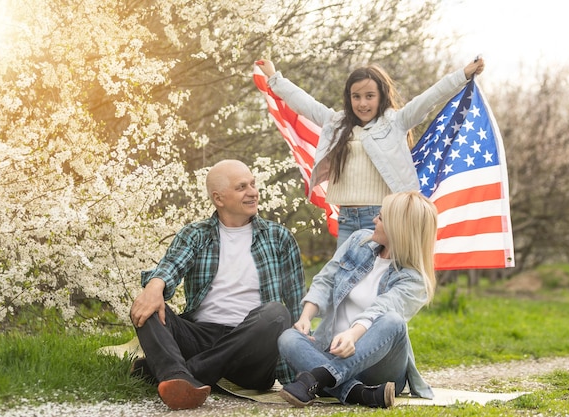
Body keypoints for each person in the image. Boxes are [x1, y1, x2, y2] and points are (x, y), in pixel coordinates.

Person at [129, 159, 306, 410]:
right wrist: (154, 286)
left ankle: (182, 373)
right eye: (242, 187)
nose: (253, 192)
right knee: (145, 307)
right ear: (219, 198)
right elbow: (171, 266)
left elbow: (297, 303)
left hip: (252, 350)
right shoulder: (196, 234)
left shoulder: (279, 238)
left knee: (277, 313)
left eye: (253, 184)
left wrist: (302, 372)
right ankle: (177, 379)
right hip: (200, 335)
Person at [256, 57, 484, 248]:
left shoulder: (396, 122)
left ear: (381, 96)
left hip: (382, 219)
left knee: (375, 281)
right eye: (356, 96)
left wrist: (463, 74)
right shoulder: (336, 123)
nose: (362, 103)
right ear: (349, 98)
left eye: (369, 96)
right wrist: (274, 77)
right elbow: (303, 103)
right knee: (342, 283)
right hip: (347, 218)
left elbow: (430, 98)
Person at [276, 191, 438, 408]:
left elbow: (381, 309)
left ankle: (318, 379)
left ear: (397, 229)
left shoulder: (414, 279)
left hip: (380, 368)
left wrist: (353, 334)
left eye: (380, 218)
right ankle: (359, 393)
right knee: (288, 338)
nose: (373, 220)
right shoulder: (358, 241)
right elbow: (326, 279)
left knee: (393, 321)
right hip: (333, 355)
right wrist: (307, 316)